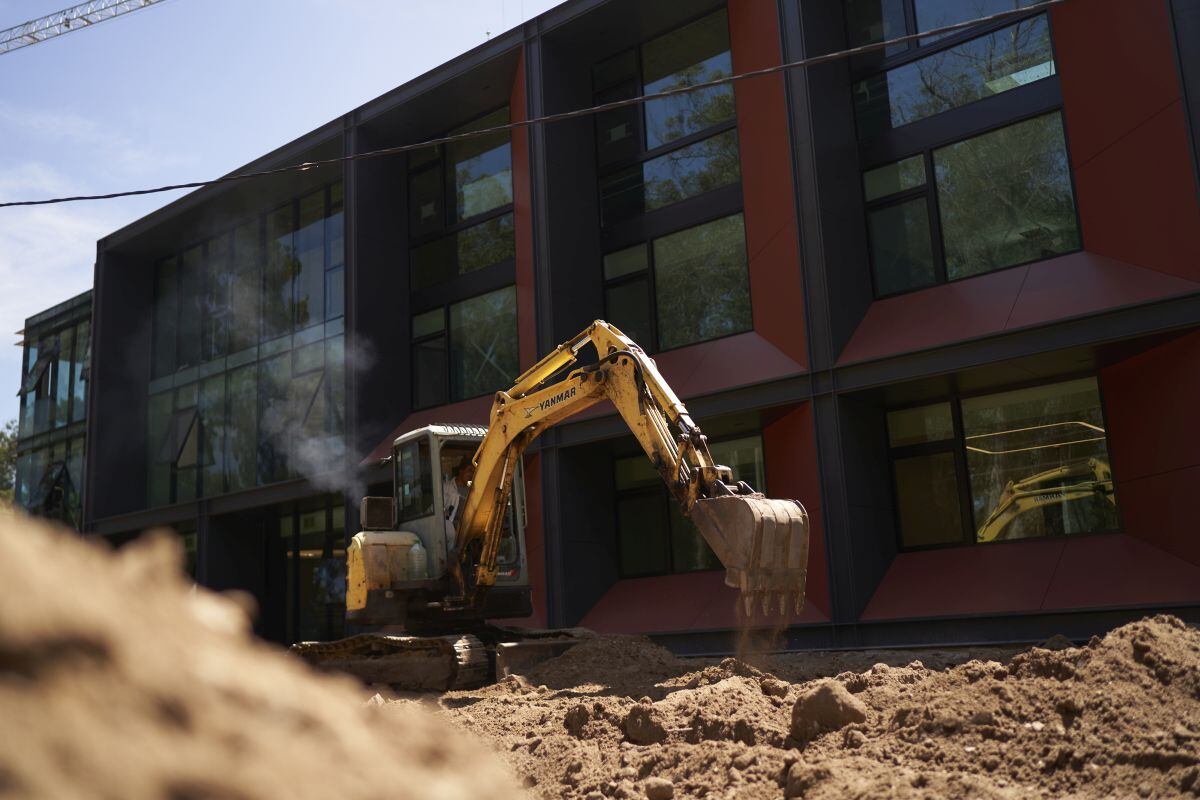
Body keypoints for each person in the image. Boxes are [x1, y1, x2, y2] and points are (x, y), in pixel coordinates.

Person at [442, 456, 474, 560]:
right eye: (469, 470)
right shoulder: (446, 488)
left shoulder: (472, 492)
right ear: (461, 470)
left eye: (473, 472)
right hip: (451, 529)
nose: (471, 474)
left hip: (467, 530)